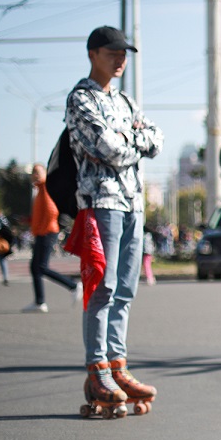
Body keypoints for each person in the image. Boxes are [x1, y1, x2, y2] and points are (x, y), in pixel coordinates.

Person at [66, 25, 161, 415]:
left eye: (124, 55)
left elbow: (155, 139)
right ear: (93, 54)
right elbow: (107, 149)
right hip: (100, 202)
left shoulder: (125, 101)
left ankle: (118, 365)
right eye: (112, 54)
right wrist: (133, 139)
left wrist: (131, 138)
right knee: (102, 288)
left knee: (126, 288)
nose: (120, 61)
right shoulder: (80, 99)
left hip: (133, 203)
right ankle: (98, 367)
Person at [22, 163, 79, 313]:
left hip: (47, 231)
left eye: (37, 172)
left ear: (45, 173)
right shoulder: (40, 189)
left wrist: (41, 228)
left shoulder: (46, 188)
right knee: (35, 267)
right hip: (43, 231)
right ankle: (39, 302)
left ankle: (72, 286)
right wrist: (29, 221)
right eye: (33, 172)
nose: (34, 175)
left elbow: (51, 211)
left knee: (41, 266)